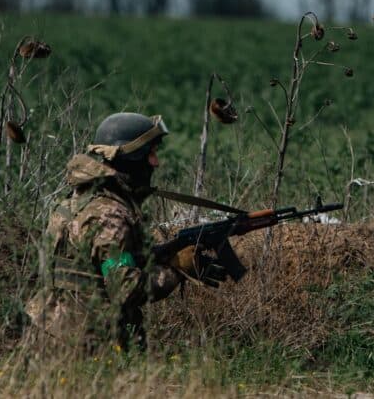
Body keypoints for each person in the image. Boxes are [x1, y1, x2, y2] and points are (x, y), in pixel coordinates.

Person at [25, 112, 225, 352]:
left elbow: (97, 266)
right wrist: (176, 268)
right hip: (85, 343)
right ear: (132, 157)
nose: (156, 163)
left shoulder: (77, 201)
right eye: (151, 153)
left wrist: (159, 254)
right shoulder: (110, 216)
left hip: (46, 329)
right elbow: (125, 288)